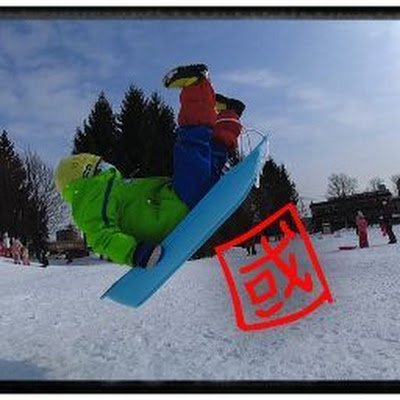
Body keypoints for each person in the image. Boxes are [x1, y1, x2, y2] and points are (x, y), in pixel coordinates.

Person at [54, 64, 245, 268]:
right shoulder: (90, 197)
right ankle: (227, 112)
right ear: (85, 175)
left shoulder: (107, 189)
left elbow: (104, 235)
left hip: (175, 207)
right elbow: (103, 237)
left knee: (200, 151)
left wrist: (137, 253)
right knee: (207, 153)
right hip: (175, 204)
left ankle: (198, 87)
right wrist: (134, 253)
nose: (107, 167)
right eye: (99, 167)